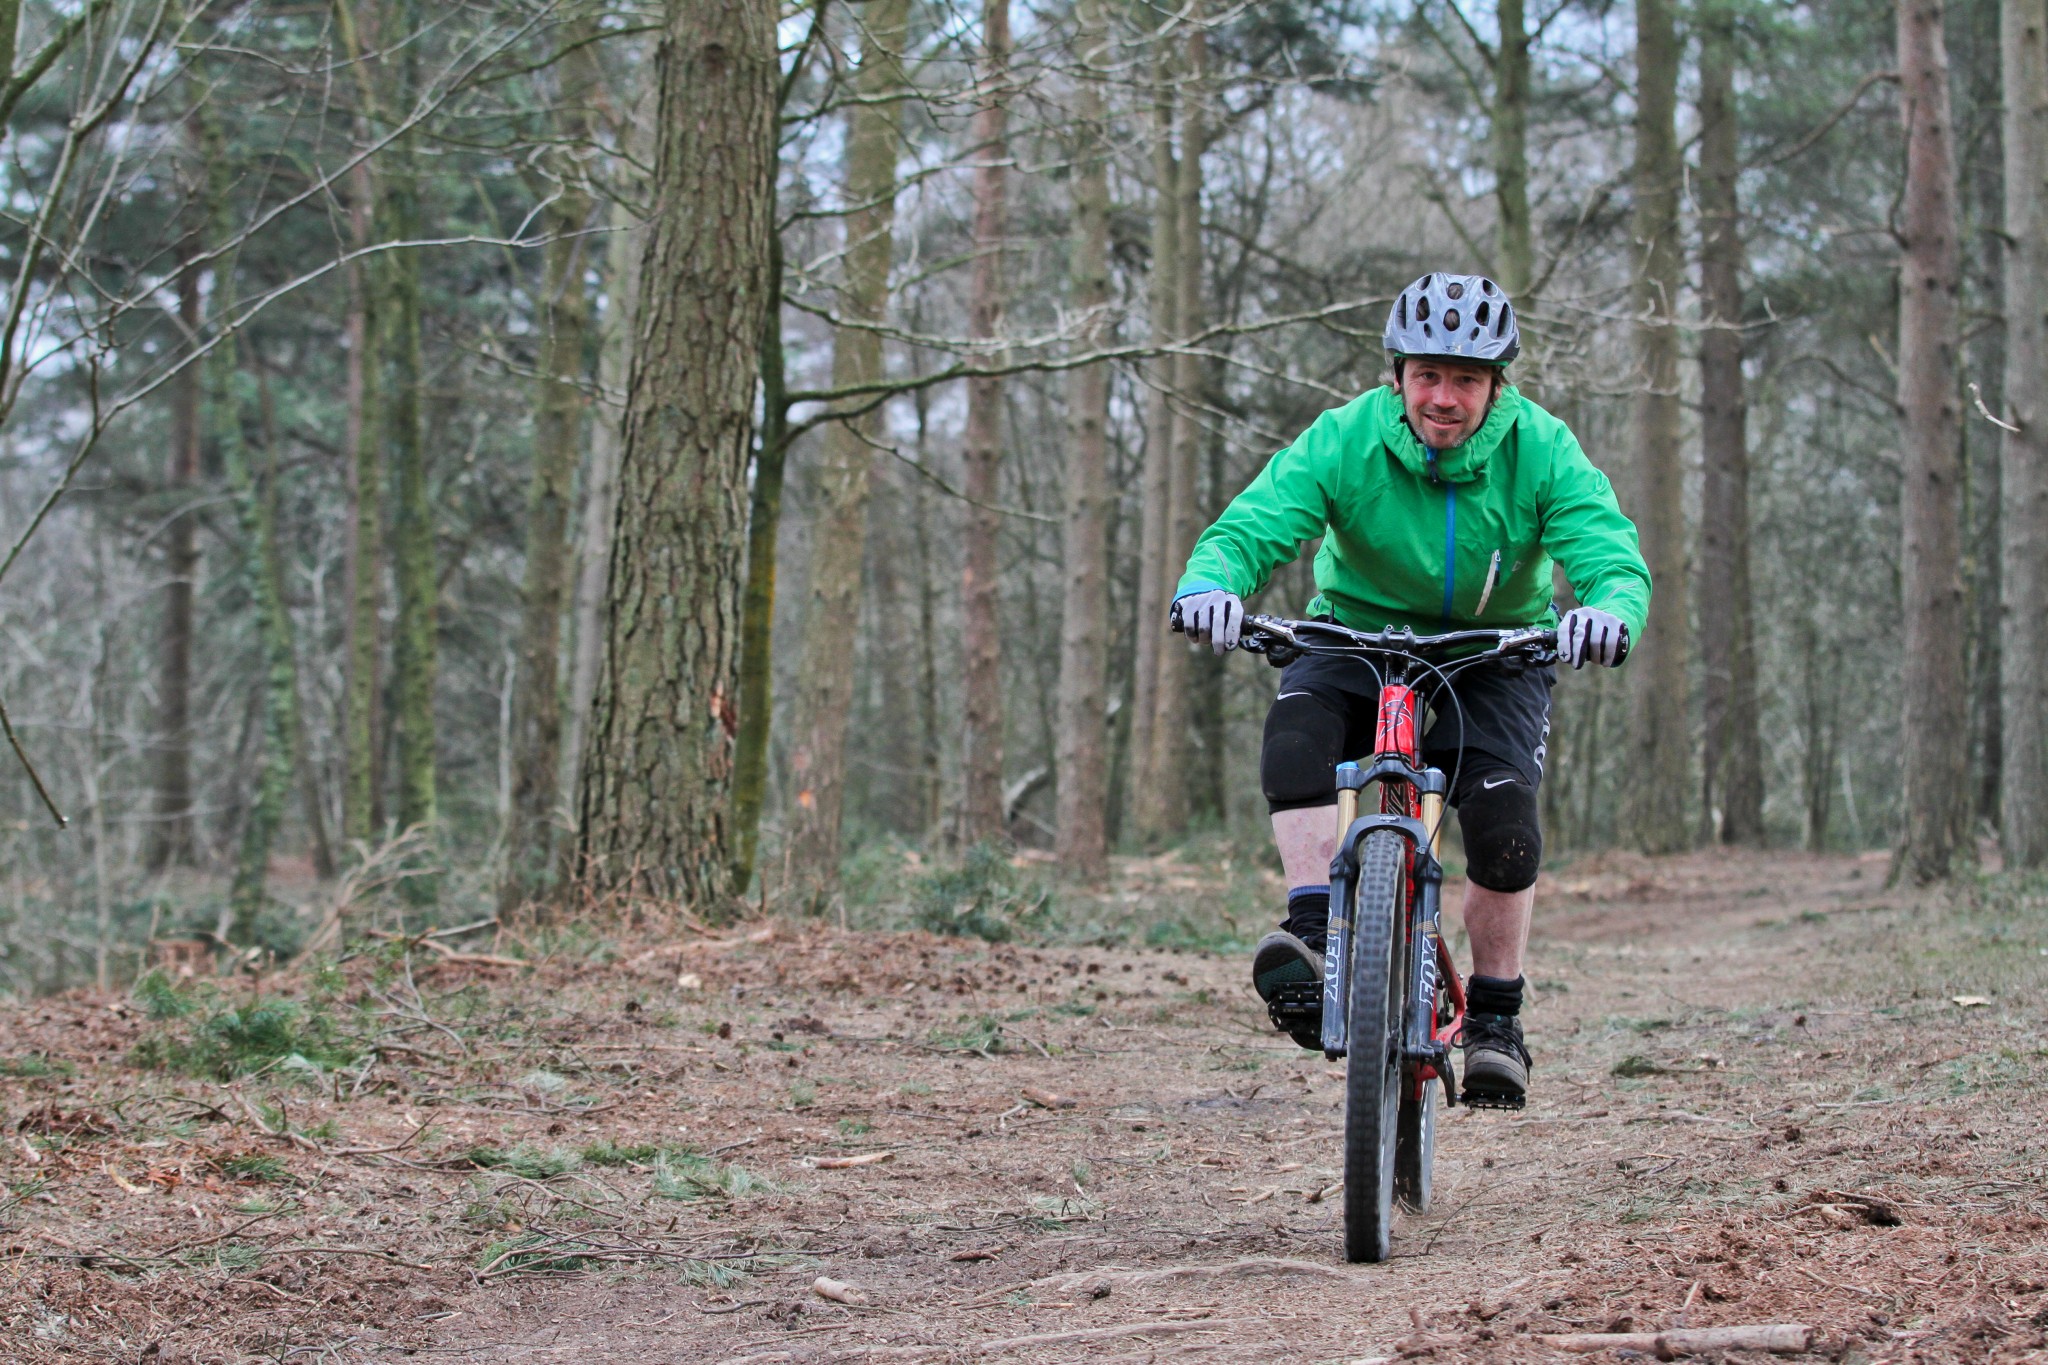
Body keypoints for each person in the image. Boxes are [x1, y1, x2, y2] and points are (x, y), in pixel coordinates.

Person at [1171, 272, 1651, 1107]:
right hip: (1357, 630)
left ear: (1497, 385)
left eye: (1466, 379)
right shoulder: (1346, 437)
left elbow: (1608, 550)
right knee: (1295, 741)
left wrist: (1609, 609)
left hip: (1494, 646)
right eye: (1428, 375)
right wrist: (1211, 586)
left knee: (1504, 821)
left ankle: (1496, 1017)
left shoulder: (1541, 448)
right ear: (1397, 375)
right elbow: (1254, 525)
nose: (1444, 398)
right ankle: (1315, 936)